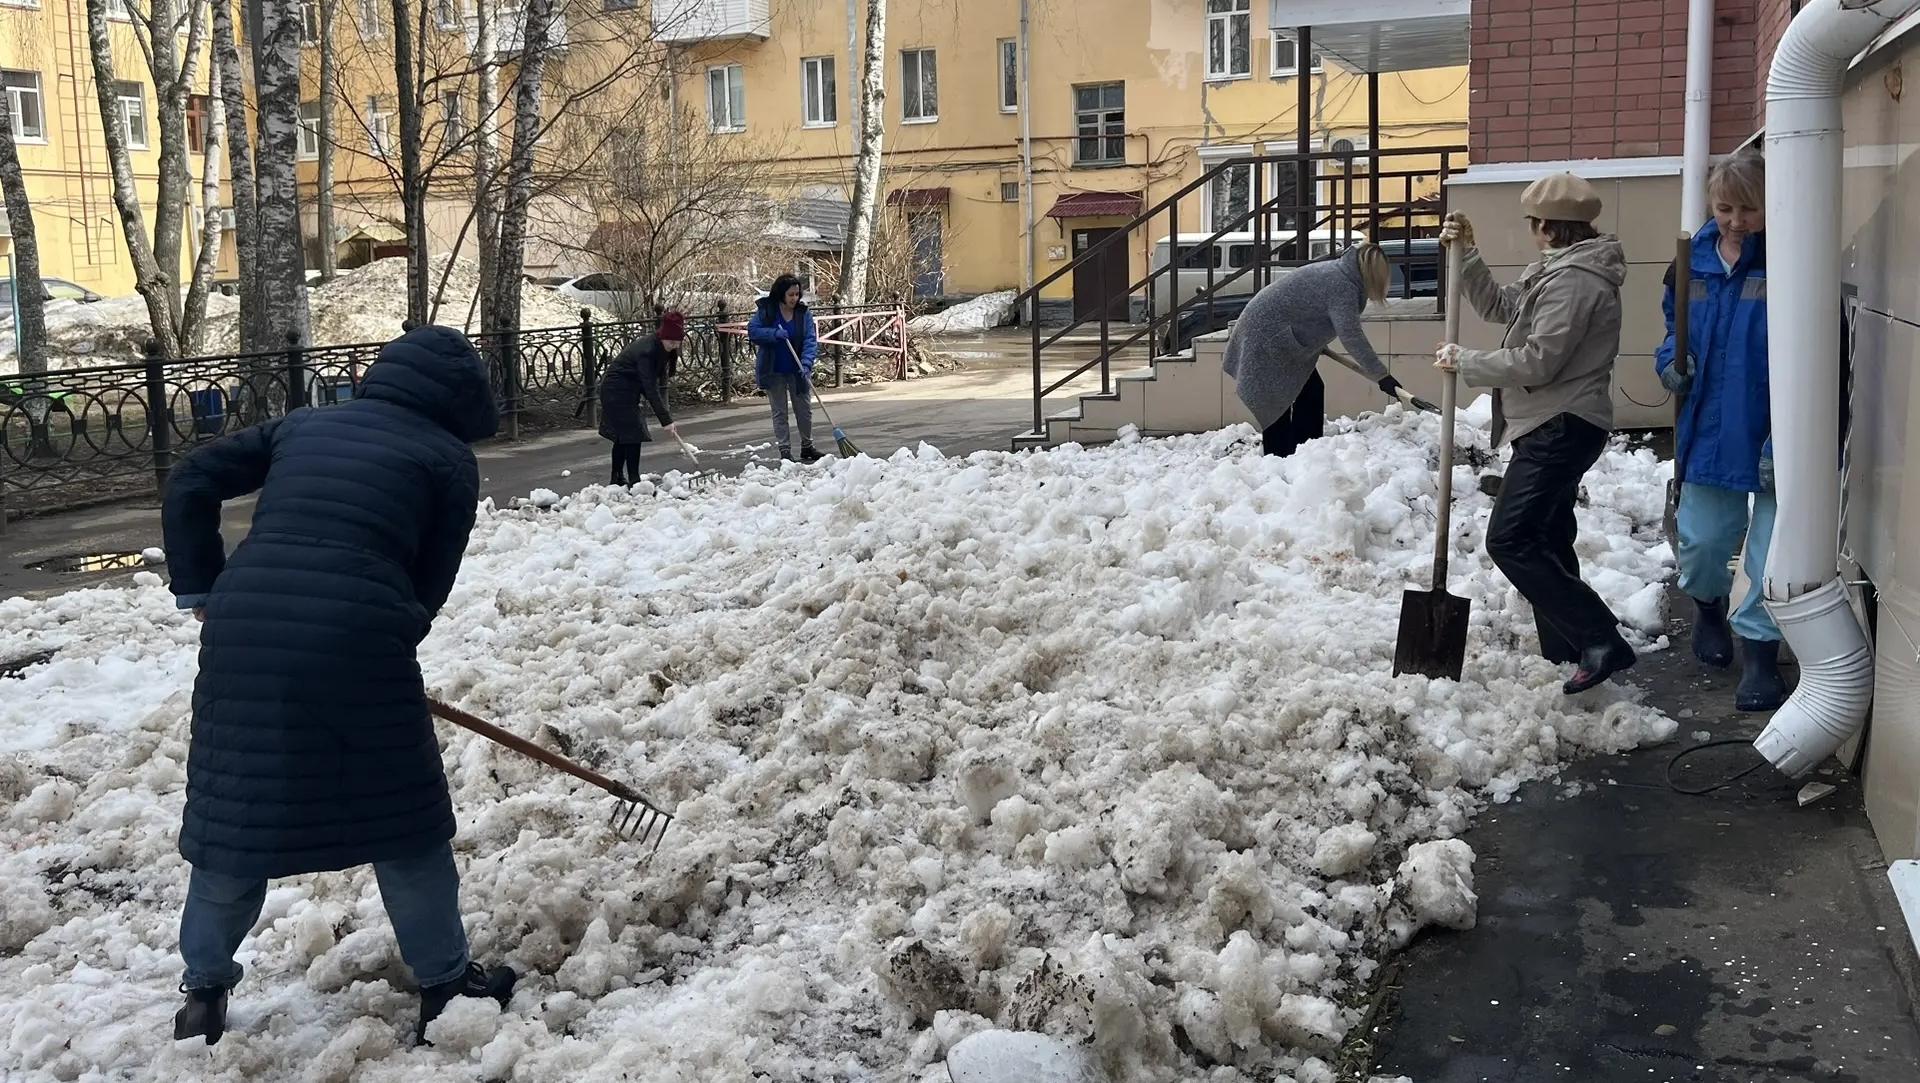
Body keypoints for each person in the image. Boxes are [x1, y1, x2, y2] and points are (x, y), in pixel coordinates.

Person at [161, 326, 515, 1047]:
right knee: (405, 820)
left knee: (237, 814)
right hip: (360, 630)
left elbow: (192, 477)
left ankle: (202, 991)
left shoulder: (305, 423)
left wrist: (201, 585)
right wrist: (379, 641)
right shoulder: (447, 459)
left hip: (242, 629)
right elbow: (428, 582)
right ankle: (445, 983)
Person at [1434, 173, 1635, 695]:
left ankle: (1599, 638)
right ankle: (1567, 648)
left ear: (1546, 226)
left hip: (1560, 424)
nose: (1531, 231)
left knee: (1511, 538)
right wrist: (1469, 256)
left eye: (1532, 223)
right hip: (1551, 422)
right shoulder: (1560, 270)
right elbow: (1502, 309)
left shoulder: (1575, 280)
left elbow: (1540, 361)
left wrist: (1468, 362)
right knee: (1547, 537)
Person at [1655, 151, 1785, 711]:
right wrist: (1670, 363)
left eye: (1748, 208)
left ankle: (1759, 650)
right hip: (1709, 423)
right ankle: (1707, 607)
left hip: (1777, 425)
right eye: (1724, 207)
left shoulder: (1790, 257)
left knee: (1771, 551)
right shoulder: (1690, 263)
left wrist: (1799, 429)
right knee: (1704, 539)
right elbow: (1672, 329)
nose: (1735, 220)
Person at [1222, 241, 1432, 457]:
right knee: (1277, 404)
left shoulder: (1340, 273)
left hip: (1280, 339)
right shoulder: (1342, 284)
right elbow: (1351, 336)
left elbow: (1309, 309)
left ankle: (1307, 453)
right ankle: (1281, 460)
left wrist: (1310, 339)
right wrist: (1382, 376)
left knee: (1311, 391)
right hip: (1266, 339)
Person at [598, 310, 685, 485]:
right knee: (633, 434)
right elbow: (650, 387)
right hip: (616, 391)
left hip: (627, 390)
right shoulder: (647, 351)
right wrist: (666, 420)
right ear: (663, 337)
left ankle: (617, 478)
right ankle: (634, 480)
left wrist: (665, 417)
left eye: (678, 342)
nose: (675, 345)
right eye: (672, 342)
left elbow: (651, 383)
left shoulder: (661, 346)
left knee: (624, 436)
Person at [746, 274, 821, 462]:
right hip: (774, 369)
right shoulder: (768, 311)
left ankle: (807, 446)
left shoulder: (803, 314)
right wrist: (773, 333)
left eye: (797, 294)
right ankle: (785, 451)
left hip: (797, 369)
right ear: (781, 294)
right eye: (791, 295)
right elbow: (753, 331)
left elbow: (810, 340)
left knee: (804, 409)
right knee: (780, 411)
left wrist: (806, 363)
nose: (795, 299)